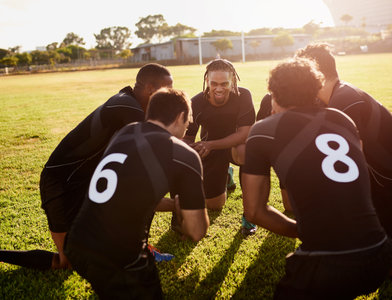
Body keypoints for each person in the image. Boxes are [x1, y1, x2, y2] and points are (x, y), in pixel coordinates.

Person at [242, 58, 392, 299]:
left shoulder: (264, 130)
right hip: (381, 252)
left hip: (325, 264)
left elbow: (253, 212)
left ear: (273, 94)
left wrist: (304, 230)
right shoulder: (341, 118)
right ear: (316, 89)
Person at [295, 43, 392, 278]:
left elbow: (347, 166)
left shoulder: (345, 100)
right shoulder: (332, 100)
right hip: (383, 190)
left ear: (315, 73)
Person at [0, 63, 173, 270]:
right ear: (151, 90)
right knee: (68, 262)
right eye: (168, 90)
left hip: (89, 183)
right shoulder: (125, 105)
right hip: (60, 183)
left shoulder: (133, 105)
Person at [64, 88, 209, 299]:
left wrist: (171, 204)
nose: (188, 126)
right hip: (119, 256)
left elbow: (126, 191)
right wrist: (185, 212)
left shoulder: (127, 131)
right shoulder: (183, 154)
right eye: (189, 121)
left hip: (77, 243)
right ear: (180, 117)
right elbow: (196, 231)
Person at [183, 58, 257, 234]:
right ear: (207, 80)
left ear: (232, 81)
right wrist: (194, 150)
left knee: (244, 152)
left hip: (233, 146)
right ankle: (227, 176)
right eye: (214, 83)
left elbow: (245, 133)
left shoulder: (243, 95)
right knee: (214, 205)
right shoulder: (197, 102)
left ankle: (249, 216)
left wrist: (211, 144)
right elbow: (187, 138)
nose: (218, 88)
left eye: (224, 83)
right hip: (211, 152)